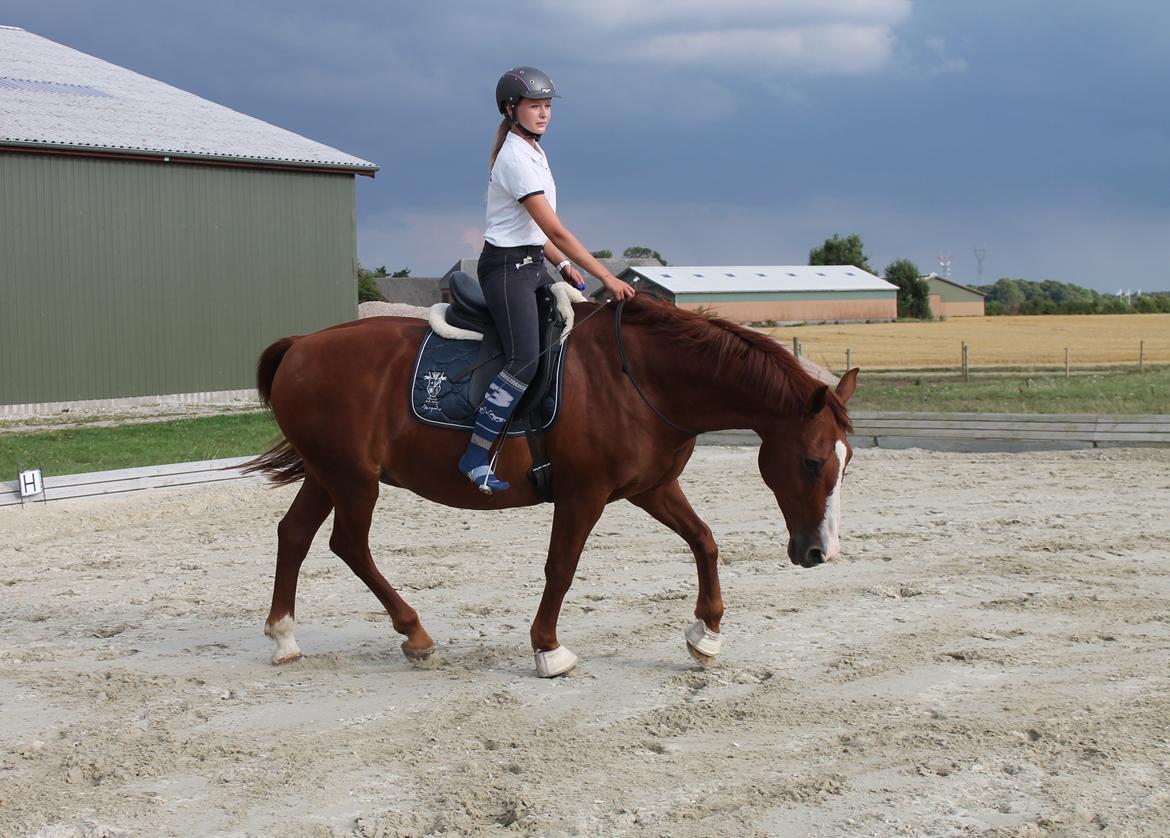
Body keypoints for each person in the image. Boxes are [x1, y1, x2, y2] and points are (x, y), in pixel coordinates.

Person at [458, 65, 636, 494]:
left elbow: (539, 234)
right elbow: (554, 228)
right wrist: (604, 275)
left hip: (533, 262)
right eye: (535, 106)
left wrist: (560, 265)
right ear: (510, 108)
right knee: (525, 359)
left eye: (547, 106)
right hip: (505, 270)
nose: (544, 114)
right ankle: (477, 452)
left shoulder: (534, 150)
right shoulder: (515, 159)